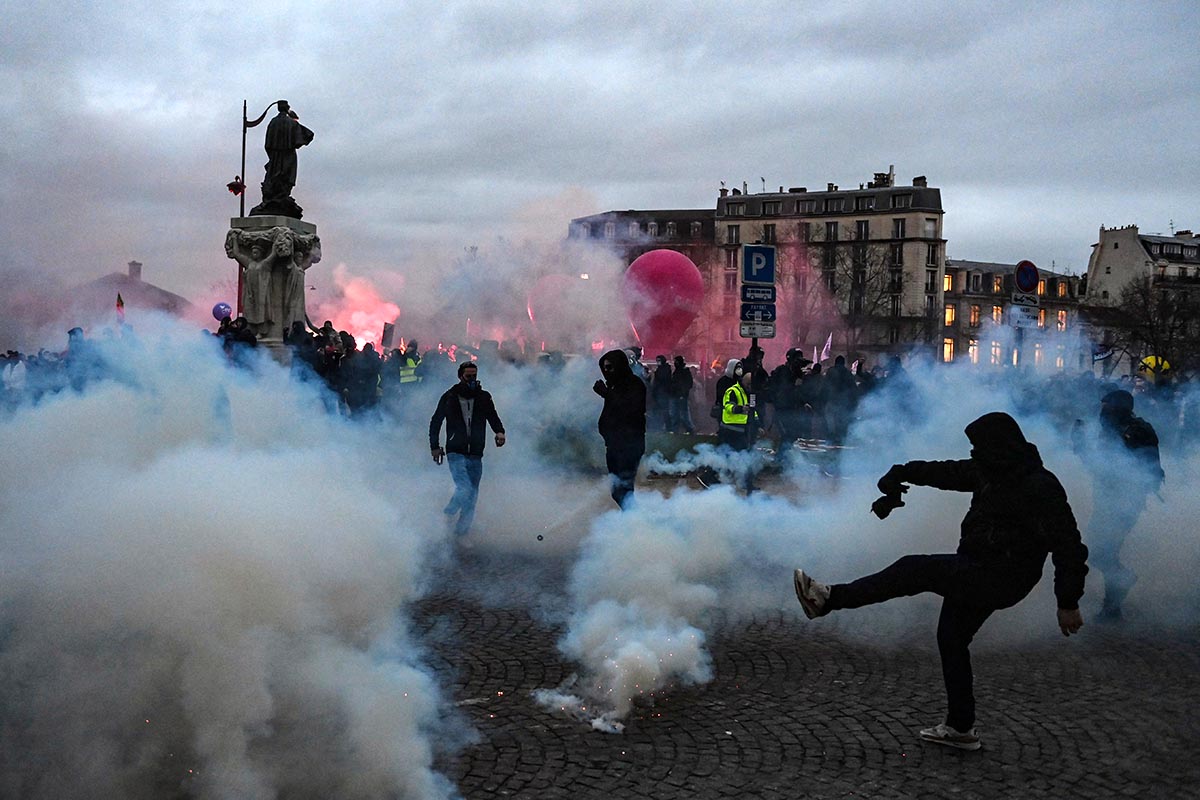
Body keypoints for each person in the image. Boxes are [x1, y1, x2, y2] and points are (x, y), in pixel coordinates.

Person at [793, 412, 1088, 751]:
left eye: (978, 446)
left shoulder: (1039, 486)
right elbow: (945, 472)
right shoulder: (989, 470)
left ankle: (827, 598)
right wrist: (902, 471)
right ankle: (960, 728)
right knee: (951, 639)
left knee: (914, 570)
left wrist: (1068, 601)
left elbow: (1069, 545)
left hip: (1003, 575)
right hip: (976, 566)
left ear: (998, 445)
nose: (973, 454)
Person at [1074, 389, 1164, 620]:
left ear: (1118, 409)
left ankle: (1114, 603)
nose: (1101, 412)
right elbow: (1098, 467)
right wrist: (1080, 444)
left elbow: (1141, 469)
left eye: (1106, 407)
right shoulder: (1114, 431)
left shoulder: (1136, 432)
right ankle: (1113, 604)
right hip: (1108, 499)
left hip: (1124, 501)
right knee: (1099, 551)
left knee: (1102, 551)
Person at [429, 361, 506, 537]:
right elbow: (436, 421)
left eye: (474, 376)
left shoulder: (484, 397)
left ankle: (461, 534)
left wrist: (500, 432)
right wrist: (435, 446)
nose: (472, 379)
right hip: (455, 450)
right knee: (464, 488)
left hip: (476, 452)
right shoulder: (449, 396)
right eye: (468, 376)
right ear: (460, 376)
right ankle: (448, 513)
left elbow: (493, 417)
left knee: (472, 496)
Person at [594, 349, 646, 508]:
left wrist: (606, 394)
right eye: (604, 368)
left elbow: (630, 409)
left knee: (623, 490)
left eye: (610, 367)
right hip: (614, 445)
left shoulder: (634, 384)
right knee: (617, 491)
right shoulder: (615, 386)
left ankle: (635, 523)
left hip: (629, 446)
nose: (607, 371)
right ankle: (633, 521)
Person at [668, 355, 695, 434]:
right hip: (674, 395)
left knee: (684, 414)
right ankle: (675, 429)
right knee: (674, 413)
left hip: (681, 396)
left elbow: (688, 384)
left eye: (676, 361)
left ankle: (690, 429)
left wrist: (682, 394)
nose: (675, 363)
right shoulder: (676, 371)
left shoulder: (685, 371)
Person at [651, 355, 672, 431]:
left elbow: (662, 379)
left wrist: (655, 373)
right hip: (659, 393)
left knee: (664, 411)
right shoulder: (661, 369)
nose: (658, 362)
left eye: (659, 360)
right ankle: (659, 426)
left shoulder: (665, 369)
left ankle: (667, 427)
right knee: (658, 411)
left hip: (663, 393)